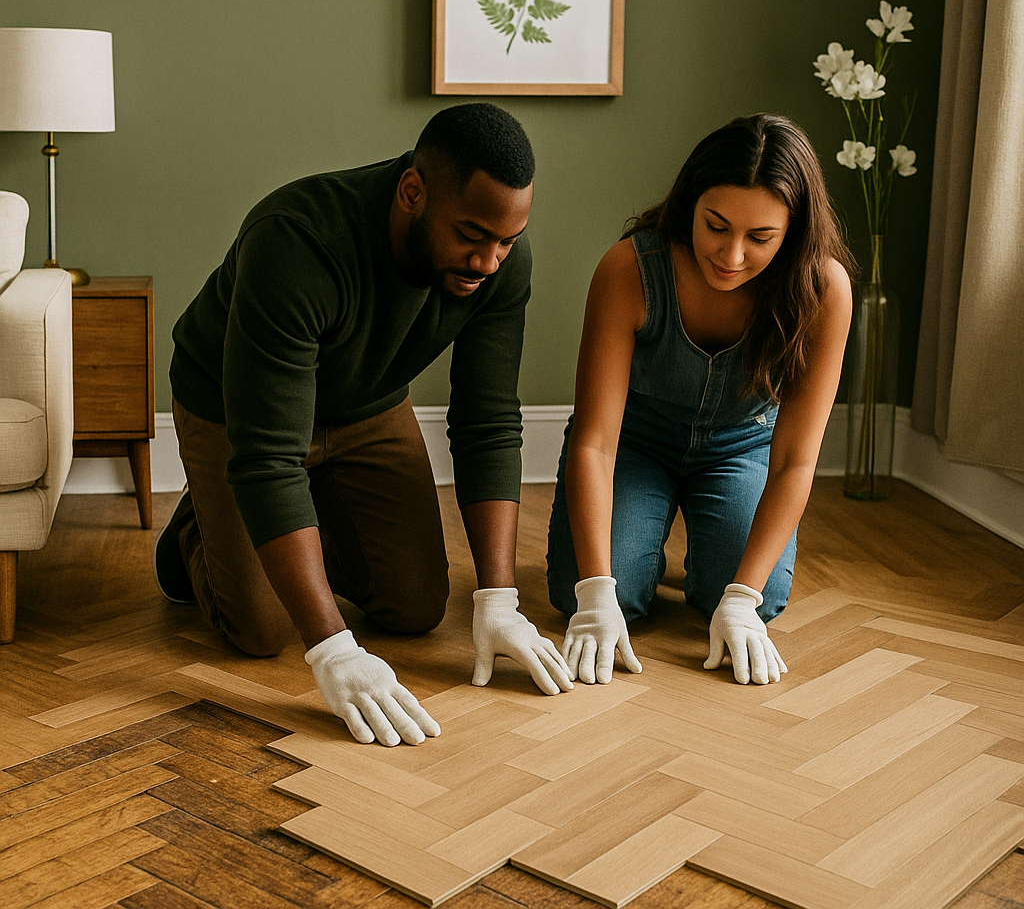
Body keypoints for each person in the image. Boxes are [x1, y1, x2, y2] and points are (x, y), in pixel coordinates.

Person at [154, 102, 573, 748]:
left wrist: (498, 602)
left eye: (506, 241)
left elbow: (487, 420)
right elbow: (267, 455)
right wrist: (332, 651)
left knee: (414, 610)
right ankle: (200, 524)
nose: (489, 261)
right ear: (413, 192)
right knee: (264, 632)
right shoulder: (294, 238)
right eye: (471, 235)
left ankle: (287, 516)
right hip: (238, 410)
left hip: (365, 406)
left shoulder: (498, 257)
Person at [546, 113, 855, 687]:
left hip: (741, 449)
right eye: (716, 226)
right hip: (633, 444)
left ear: (794, 233)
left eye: (761, 238)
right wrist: (595, 592)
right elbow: (594, 442)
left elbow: (794, 461)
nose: (732, 255)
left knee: (753, 602)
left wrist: (740, 598)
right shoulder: (630, 268)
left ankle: (700, 564)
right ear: (691, 204)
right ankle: (641, 547)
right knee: (584, 592)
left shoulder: (824, 289)